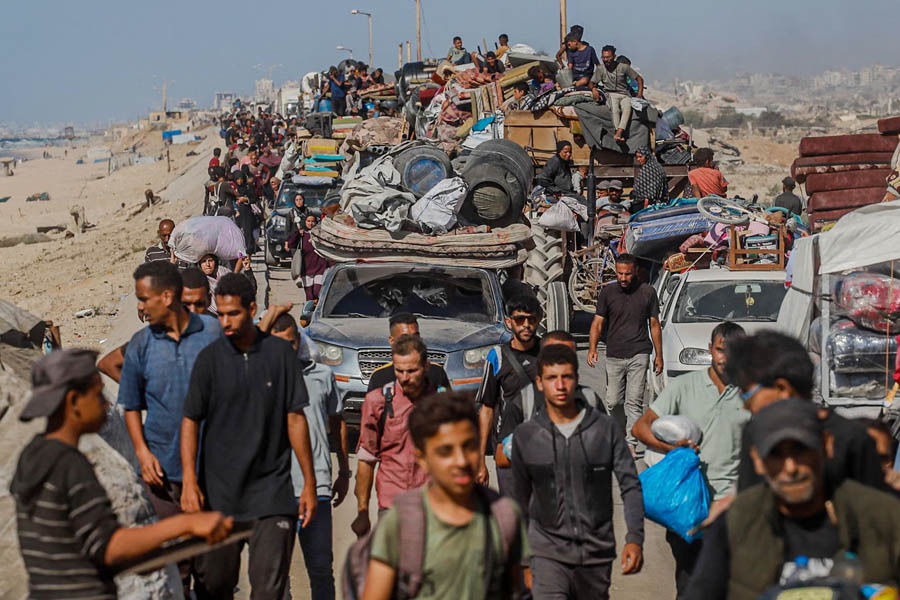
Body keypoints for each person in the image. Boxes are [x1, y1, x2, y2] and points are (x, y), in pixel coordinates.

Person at [11, 349, 233, 600]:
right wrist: (188, 523)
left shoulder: (33, 455)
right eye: (98, 396)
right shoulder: (68, 464)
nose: (106, 405)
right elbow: (109, 547)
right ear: (73, 402)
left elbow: (76, 546)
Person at [180, 273, 317, 599]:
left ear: (252, 308)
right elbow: (190, 421)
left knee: (269, 591)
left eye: (234, 313)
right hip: (219, 497)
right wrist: (189, 479)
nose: (225, 322)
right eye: (222, 313)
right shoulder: (209, 360)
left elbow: (295, 419)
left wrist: (309, 483)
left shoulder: (280, 356)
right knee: (213, 587)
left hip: (271, 495)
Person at [685, 399, 900, 600]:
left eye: (801, 450)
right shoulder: (738, 522)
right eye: (776, 454)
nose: (791, 468)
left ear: (827, 446)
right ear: (757, 460)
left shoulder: (882, 516)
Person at [362, 392, 530, 600]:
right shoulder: (402, 522)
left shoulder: (503, 515)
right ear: (422, 459)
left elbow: (514, 590)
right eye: (445, 451)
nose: (461, 461)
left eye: (468, 446)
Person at [118, 261, 222, 596]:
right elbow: (130, 405)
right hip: (162, 476)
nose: (140, 307)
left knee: (214, 570)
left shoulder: (212, 334)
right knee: (175, 570)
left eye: (144, 299)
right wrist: (141, 452)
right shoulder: (141, 345)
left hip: (212, 472)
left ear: (166, 297)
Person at [511, 345, 644, 598]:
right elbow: (519, 503)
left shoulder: (605, 429)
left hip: (596, 556)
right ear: (539, 383)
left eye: (566, 377)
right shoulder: (526, 437)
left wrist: (635, 538)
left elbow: (630, 486)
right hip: (547, 556)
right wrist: (524, 560)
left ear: (577, 379)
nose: (560, 386)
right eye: (552, 378)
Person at [632, 322, 748, 599]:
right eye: (720, 350)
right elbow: (641, 427)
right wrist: (669, 448)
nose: (726, 358)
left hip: (732, 507)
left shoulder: (750, 395)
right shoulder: (684, 387)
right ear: (710, 349)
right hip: (687, 507)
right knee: (690, 584)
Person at [725, 331, 886, 493]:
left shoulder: (852, 440)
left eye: (746, 394)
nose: (745, 405)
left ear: (783, 389)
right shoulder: (753, 434)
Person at [269, 312, 350, 600]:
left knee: (319, 567)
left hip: (316, 486)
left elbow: (337, 423)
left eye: (290, 344)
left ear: (299, 342)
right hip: (274, 489)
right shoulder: (261, 379)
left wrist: (344, 471)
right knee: (275, 572)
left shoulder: (321, 375)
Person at [353, 335, 441, 537]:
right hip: (392, 503)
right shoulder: (377, 402)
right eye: (399, 371)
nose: (404, 377)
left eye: (412, 371)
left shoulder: (441, 403)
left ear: (426, 367)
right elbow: (366, 459)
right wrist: (362, 511)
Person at [588, 253, 663, 454]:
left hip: (639, 352)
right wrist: (592, 348)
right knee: (613, 401)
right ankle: (619, 431)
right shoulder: (607, 293)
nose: (623, 278)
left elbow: (654, 325)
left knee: (634, 400)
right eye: (620, 273)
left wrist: (659, 355)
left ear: (635, 271)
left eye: (627, 274)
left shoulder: (647, 292)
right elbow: (597, 323)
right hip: (614, 354)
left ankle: (631, 442)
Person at [495, 331, 603, 468]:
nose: (562, 361)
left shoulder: (590, 399)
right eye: (554, 355)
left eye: (569, 356)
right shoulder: (523, 402)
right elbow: (501, 458)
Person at [475, 294, 543, 492]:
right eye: (520, 319)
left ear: (538, 320)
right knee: (512, 513)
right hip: (507, 447)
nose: (526, 325)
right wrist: (481, 460)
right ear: (509, 322)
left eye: (531, 319)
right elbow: (486, 408)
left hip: (543, 446)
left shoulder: (548, 352)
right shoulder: (497, 356)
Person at [367, 312, 451, 392]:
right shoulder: (380, 377)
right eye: (405, 337)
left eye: (416, 336)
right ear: (392, 341)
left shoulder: (436, 373)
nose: (412, 341)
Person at [594, 45, 644, 142]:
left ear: (614, 57)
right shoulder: (601, 69)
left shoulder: (624, 69)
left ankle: (619, 132)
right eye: (603, 57)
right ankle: (618, 132)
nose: (605, 60)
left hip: (625, 94)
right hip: (611, 94)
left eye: (608, 57)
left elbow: (639, 79)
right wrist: (594, 90)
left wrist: (639, 95)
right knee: (615, 110)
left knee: (627, 109)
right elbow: (593, 83)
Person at [286, 213, 328, 302]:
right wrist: (298, 234)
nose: (310, 223)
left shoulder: (321, 234)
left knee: (318, 291)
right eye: (308, 221)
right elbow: (291, 244)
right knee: (309, 294)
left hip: (320, 267)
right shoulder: (302, 235)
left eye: (313, 221)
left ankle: (317, 309)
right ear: (305, 222)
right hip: (306, 269)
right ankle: (309, 312)